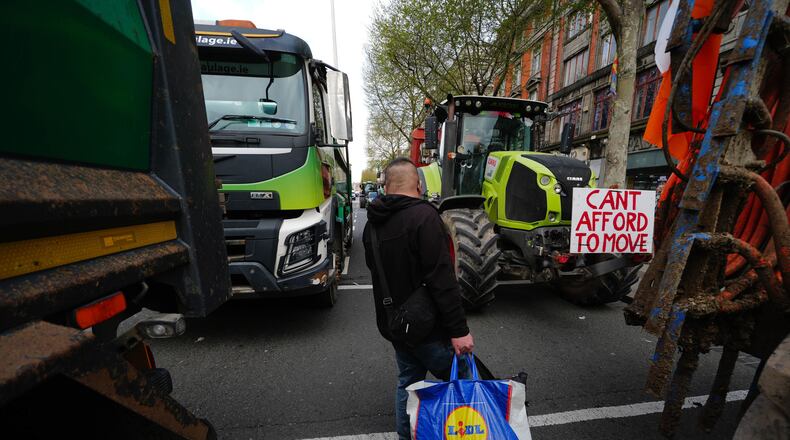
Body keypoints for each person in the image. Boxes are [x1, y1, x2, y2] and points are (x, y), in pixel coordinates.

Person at [363, 157, 475, 439]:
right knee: (463, 381)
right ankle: (466, 431)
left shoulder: (371, 225)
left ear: (386, 186)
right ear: (418, 184)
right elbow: (442, 280)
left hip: (397, 324)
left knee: (409, 383)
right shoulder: (425, 217)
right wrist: (459, 331)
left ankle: (407, 435)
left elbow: (376, 271)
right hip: (430, 326)